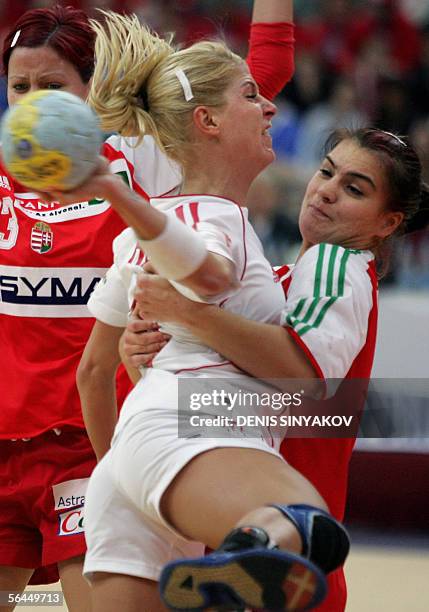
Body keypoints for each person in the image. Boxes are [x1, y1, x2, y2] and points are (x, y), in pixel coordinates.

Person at [37, 11, 354, 612]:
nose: (270, 111)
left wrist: (122, 473)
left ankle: (228, 564)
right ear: (206, 121)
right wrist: (115, 193)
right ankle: (227, 578)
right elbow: (206, 272)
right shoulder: (217, 217)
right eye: (251, 96)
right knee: (307, 524)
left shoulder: (138, 238)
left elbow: (92, 373)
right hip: (201, 425)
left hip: (129, 454)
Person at [117, 126, 429, 612]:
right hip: (246, 545)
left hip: (278, 550)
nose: (326, 189)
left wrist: (187, 314)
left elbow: (300, 374)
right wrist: (141, 354)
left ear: (387, 224)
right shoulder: (283, 278)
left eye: (353, 188)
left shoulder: (337, 264)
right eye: (327, 171)